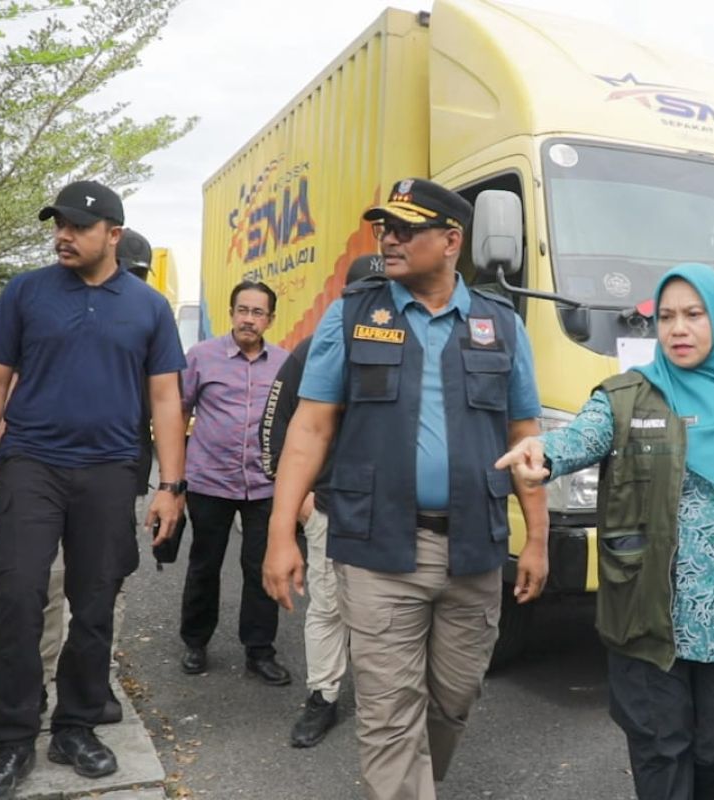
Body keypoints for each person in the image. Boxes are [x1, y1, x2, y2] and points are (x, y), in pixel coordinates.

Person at [495, 263, 714, 800]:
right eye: (666, 317)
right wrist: (542, 454)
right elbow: (581, 436)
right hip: (648, 610)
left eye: (694, 315)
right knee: (660, 748)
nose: (678, 329)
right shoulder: (628, 395)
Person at [262, 178, 550, 800]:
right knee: (390, 717)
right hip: (377, 550)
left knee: (452, 701)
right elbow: (310, 429)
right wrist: (280, 532)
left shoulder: (499, 325)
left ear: (451, 241)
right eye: (382, 228)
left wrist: (538, 540)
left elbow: (526, 437)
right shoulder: (351, 316)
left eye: (404, 228)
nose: (387, 239)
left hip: (474, 550)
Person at [0, 182, 187, 799]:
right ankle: (11, 741)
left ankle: (76, 725)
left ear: (112, 235)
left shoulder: (147, 306)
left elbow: (166, 397)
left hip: (111, 469)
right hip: (32, 463)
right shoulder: (26, 293)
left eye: (77, 226)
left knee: (94, 604)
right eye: (57, 225)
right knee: (18, 593)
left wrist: (171, 484)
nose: (63, 235)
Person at [259, 254, 380, 747]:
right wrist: (298, 502)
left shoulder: (413, 346)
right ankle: (323, 696)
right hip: (329, 506)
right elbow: (275, 430)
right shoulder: (316, 349)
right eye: (363, 292)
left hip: (393, 511)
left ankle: (384, 703)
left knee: (386, 613)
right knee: (328, 608)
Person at [37, 227, 156, 726]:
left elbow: (167, 402)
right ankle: (36, 680)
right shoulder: (63, 311)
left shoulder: (147, 318)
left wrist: (170, 484)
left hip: (119, 477)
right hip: (53, 472)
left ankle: (90, 681)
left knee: (106, 585)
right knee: (46, 580)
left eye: (140, 275)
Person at [178, 281, 290, 684]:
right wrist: (173, 481)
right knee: (204, 565)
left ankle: (259, 651)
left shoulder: (284, 363)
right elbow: (178, 412)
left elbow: (294, 425)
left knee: (263, 568)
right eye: (243, 310)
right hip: (209, 480)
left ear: (270, 319)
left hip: (264, 484)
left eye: (258, 312)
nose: (249, 319)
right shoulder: (200, 357)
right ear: (231, 313)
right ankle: (195, 641)